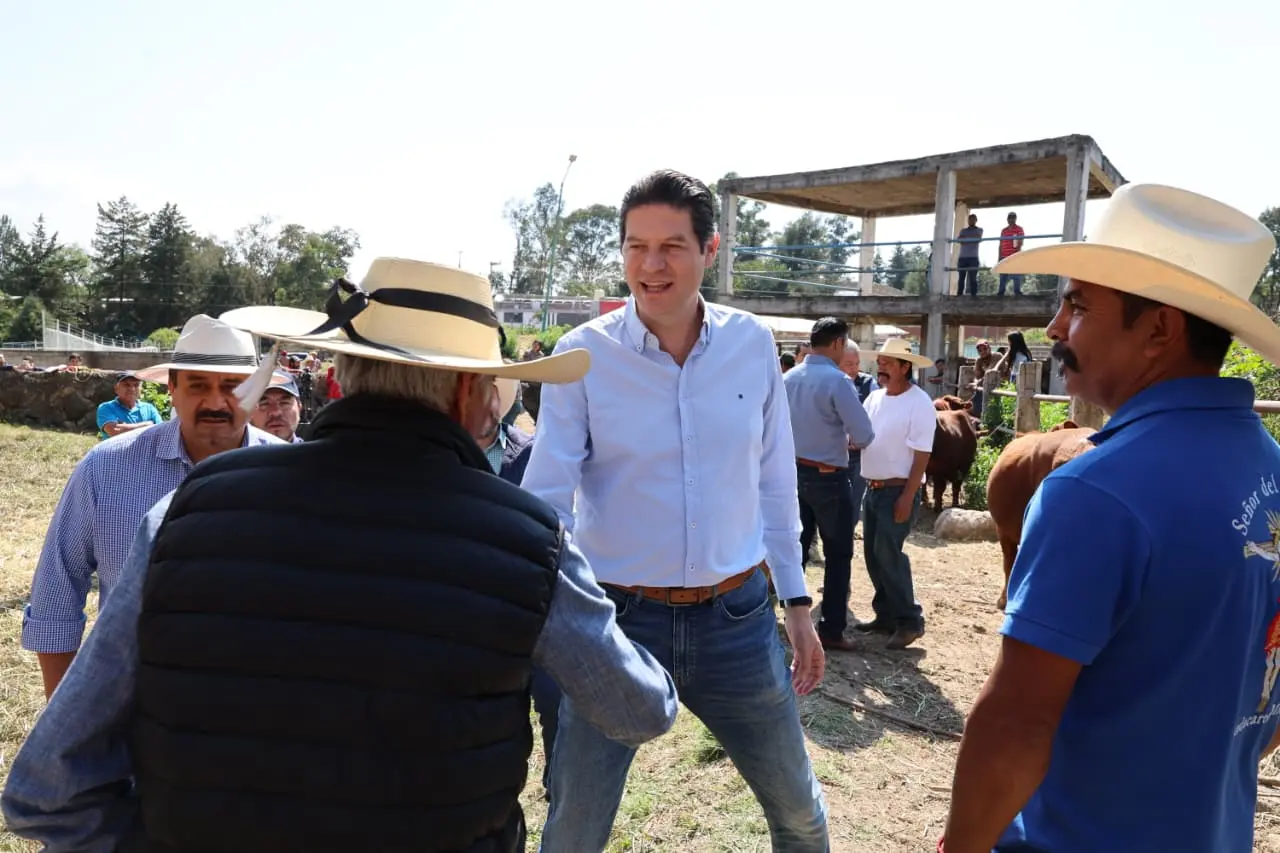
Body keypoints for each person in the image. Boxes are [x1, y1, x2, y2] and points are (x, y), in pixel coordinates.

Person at [1, 259, 679, 853]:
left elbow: (44, 791)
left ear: (343, 378)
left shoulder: (187, 510)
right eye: (494, 390)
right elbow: (637, 710)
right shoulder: (529, 539)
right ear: (468, 394)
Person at [941, 183, 1280, 853]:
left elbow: (1015, 725)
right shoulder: (1270, 467)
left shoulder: (1097, 490)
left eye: (1077, 304)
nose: (1054, 328)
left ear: (1158, 328)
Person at [523, 169, 830, 852]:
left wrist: (798, 603)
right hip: (617, 625)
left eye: (671, 246)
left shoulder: (752, 346)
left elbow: (775, 482)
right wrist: (546, 617)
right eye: (635, 246)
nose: (650, 265)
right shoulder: (580, 356)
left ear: (710, 249)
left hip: (738, 620)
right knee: (573, 828)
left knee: (801, 813)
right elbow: (547, 498)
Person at [20, 315, 284, 699]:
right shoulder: (106, 468)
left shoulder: (288, 476)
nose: (214, 401)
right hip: (129, 705)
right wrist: (64, 719)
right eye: (197, 385)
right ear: (171, 389)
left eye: (232, 386)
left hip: (253, 709)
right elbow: (57, 590)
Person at [784, 316, 875, 650]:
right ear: (838, 343)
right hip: (828, 477)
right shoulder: (838, 382)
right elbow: (864, 434)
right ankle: (831, 630)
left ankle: (790, 620)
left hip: (792, 475)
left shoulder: (789, 377)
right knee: (838, 555)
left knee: (795, 551)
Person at [856, 338, 935, 650]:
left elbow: (922, 455)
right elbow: (862, 435)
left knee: (889, 554)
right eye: (881, 361)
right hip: (873, 488)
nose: (881, 366)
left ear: (906, 367)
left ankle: (910, 620)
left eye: (889, 362)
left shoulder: (919, 402)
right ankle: (886, 614)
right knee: (874, 555)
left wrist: (908, 495)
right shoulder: (874, 399)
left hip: (897, 489)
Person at [95, 371, 164, 440]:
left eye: (136, 385)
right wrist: (147, 424)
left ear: (141, 389)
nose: (132, 389)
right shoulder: (106, 408)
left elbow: (161, 431)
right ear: (116, 389)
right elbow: (114, 431)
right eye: (126, 385)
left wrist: (124, 427)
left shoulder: (149, 408)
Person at [249, 371, 306, 443]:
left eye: (284, 403)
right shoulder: (235, 453)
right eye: (264, 403)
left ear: (299, 407)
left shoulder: (315, 454)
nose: (275, 412)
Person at [997, 212, 1025, 296]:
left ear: (1015, 219)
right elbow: (1000, 244)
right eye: (1010, 218)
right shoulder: (1003, 231)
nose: (1011, 219)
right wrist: (999, 256)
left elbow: (1020, 243)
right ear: (1007, 219)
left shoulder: (1019, 229)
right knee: (1003, 275)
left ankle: (1017, 292)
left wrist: (1016, 255)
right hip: (1004, 256)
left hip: (1014, 256)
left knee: (1016, 274)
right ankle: (1001, 292)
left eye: (1013, 217)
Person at [956, 214, 983, 296]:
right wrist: (971, 238)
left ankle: (974, 296)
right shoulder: (963, 230)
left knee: (973, 278)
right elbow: (960, 240)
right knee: (961, 278)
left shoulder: (979, 229)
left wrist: (966, 238)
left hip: (973, 258)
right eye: (969, 219)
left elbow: (978, 238)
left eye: (973, 219)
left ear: (976, 220)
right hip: (962, 257)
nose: (971, 221)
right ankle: (959, 295)